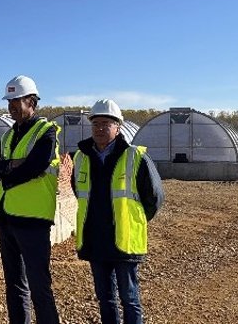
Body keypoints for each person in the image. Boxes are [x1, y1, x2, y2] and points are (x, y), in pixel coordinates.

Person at [71, 99, 164, 324]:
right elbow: (78, 191)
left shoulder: (135, 156)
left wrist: (134, 220)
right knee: (105, 299)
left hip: (124, 240)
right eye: (96, 124)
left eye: (106, 123)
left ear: (118, 127)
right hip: (95, 240)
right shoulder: (81, 157)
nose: (100, 128)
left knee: (129, 298)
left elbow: (154, 197)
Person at [0, 75, 61, 324]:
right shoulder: (8, 136)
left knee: (39, 285)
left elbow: (37, 164)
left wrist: (8, 173)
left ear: (31, 101)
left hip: (33, 220)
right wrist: (14, 165)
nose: (11, 106)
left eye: (16, 101)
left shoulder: (46, 131)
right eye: (9, 101)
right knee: (14, 285)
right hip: (8, 218)